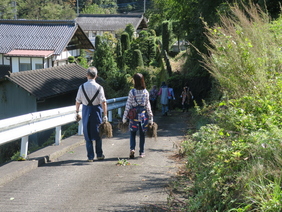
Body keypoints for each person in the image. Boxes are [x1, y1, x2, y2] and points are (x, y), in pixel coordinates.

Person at [75, 67, 108, 162]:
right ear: (96, 76)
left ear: (87, 75)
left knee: (87, 133)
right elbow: (103, 102)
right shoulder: (99, 87)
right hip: (96, 110)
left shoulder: (81, 87)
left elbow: (77, 101)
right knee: (98, 133)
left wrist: (77, 112)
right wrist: (105, 115)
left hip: (86, 110)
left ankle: (90, 157)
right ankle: (99, 155)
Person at [122, 73, 153, 159]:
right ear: (143, 80)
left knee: (132, 133)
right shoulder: (145, 92)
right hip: (143, 115)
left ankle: (132, 149)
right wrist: (151, 117)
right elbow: (148, 105)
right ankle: (142, 152)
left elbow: (128, 105)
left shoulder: (132, 92)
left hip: (133, 116)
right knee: (142, 134)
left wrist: (125, 117)